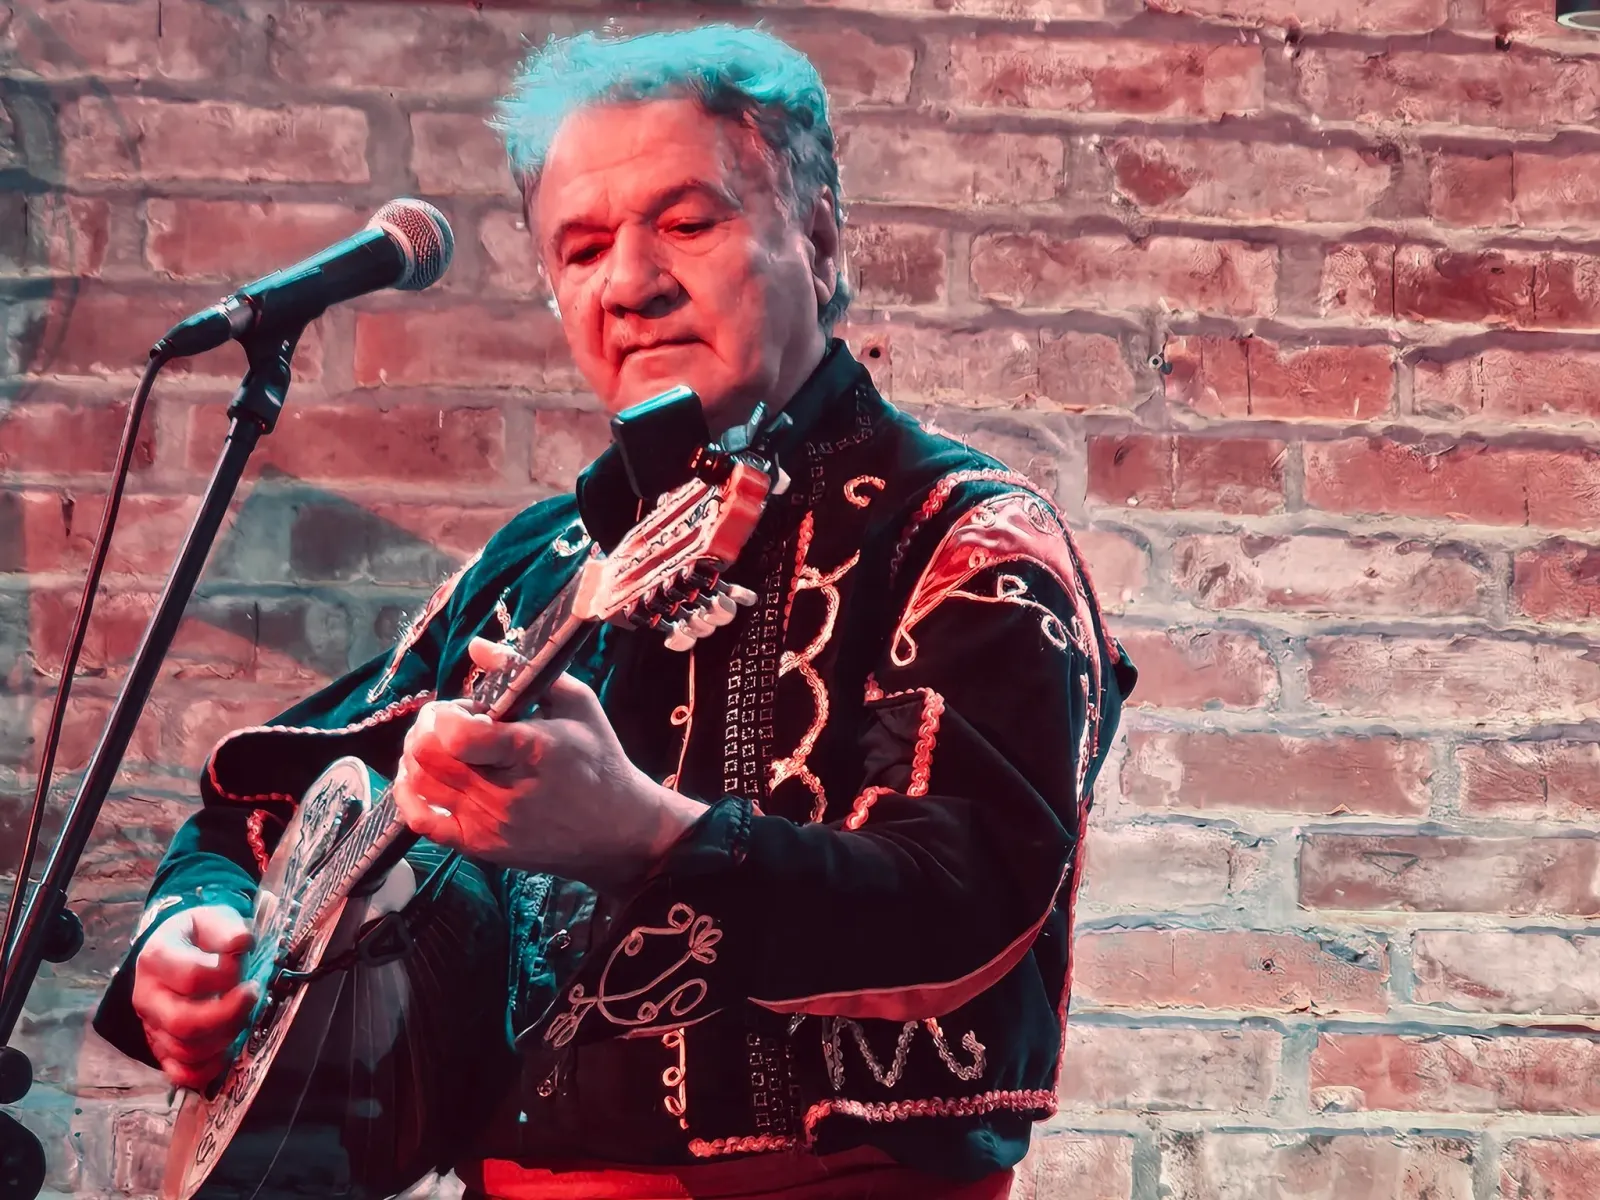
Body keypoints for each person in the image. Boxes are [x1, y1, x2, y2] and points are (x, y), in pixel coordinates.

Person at [92, 24, 1136, 1200]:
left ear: (818, 234)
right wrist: (186, 936)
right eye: (581, 249)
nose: (631, 283)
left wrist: (645, 837)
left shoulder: (959, 533)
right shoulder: (541, 561)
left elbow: (971, 902)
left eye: (687, 223)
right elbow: (260, 801)